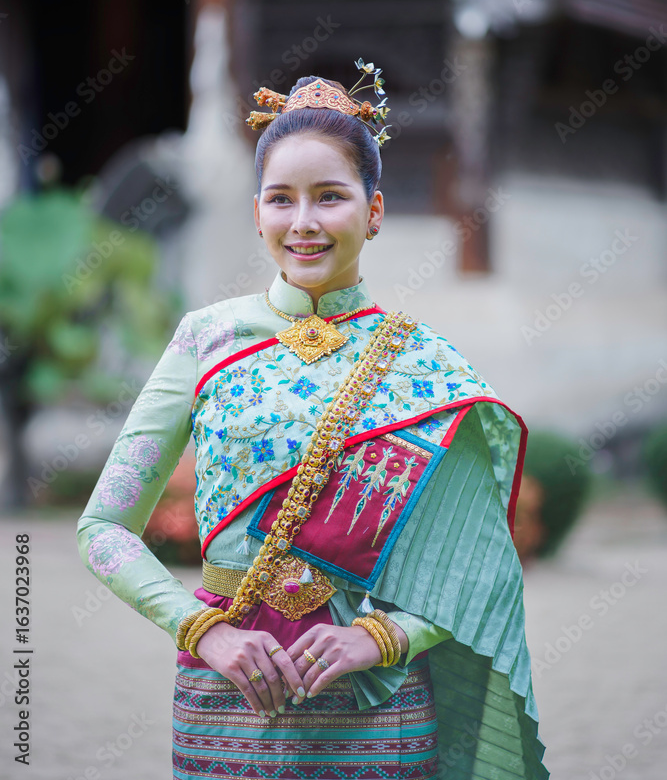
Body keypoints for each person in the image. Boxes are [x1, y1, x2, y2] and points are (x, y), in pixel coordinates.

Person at [77, 61, 549, 780]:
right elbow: (103, 529)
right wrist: (201, 631)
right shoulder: (205, 339)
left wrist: (388, 636)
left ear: (374, 210)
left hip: (378, 700)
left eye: (329, 196)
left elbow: (481, 565)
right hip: (227, 691)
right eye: (281, 199)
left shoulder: (425, 362)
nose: (303, 222)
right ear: (257, 213)